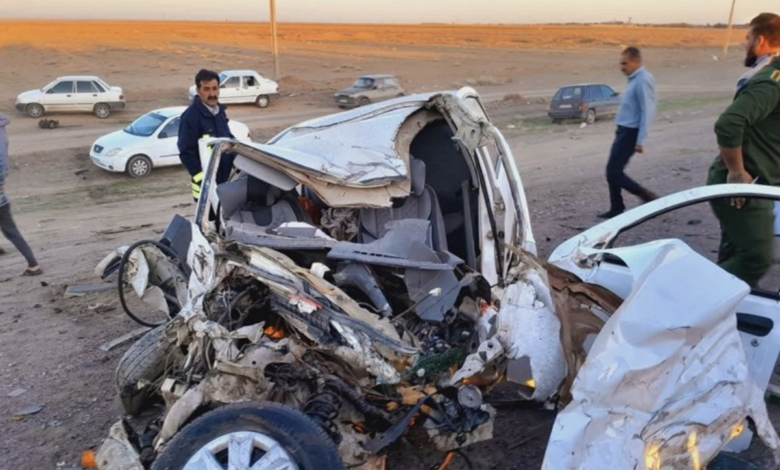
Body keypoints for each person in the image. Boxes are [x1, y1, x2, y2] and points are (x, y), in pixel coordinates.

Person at [707, 12, 780, 288]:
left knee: (735, 253)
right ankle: (695, 302)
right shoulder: (772, 80)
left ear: (758, 41)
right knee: (755, 258)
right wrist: (736, 172)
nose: (745, 43)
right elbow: (729, 123)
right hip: (746, 183)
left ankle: (726, 308)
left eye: (747, 38)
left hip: (756, 182)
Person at [598, 47, 658, 219]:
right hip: (623, 131)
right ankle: (616, 208)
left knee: (613, 172)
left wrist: (641, 140)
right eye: (621, 63)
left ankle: (646, 195)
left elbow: (647, 110)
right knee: (612, 171)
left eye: (625, 63)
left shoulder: (643, 80)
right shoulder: (634, 79)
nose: (622, 67)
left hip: (631, 133)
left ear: (635, 61)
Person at [178, 69, 235, 201]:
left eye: (215, 88)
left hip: (223, 183)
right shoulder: (190, 118)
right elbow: (186, 153)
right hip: (205, 191)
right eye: (206, 89)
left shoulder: (220, 112)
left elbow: (227, 138)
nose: (212, 94)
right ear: (198, 91)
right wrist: (205, 181)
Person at [0, 111, 42, 276]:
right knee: (11, 230)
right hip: (2, 197)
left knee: (10, 229)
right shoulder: (2, 130)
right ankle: (33, 264)